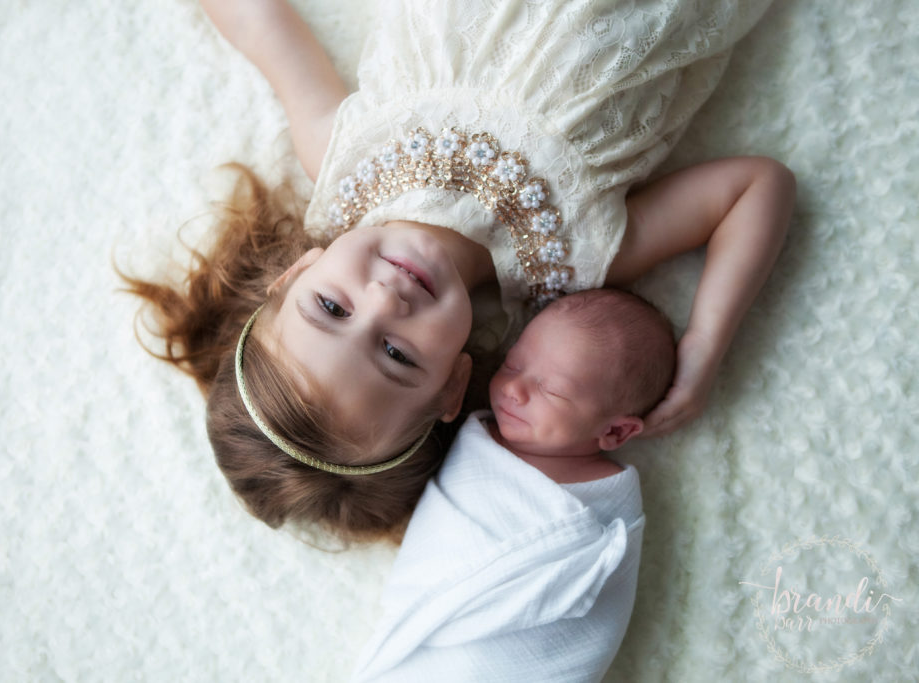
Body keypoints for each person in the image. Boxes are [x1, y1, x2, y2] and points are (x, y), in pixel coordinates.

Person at [121, 0, 795, 543]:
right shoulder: (573, 257)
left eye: (330, 308)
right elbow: (754, 188)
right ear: (453, 385)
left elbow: (256, 23)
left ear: (295, 272)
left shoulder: (342, 158)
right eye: (394, 353)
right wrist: (702, 348)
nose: (384, 300)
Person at [352, 288, 674, 681]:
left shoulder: (605, 513)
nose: (512, 389)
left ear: (616, 430)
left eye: (551, 390)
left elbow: (592, 614)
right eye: (513, 364)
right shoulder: (479, 441)